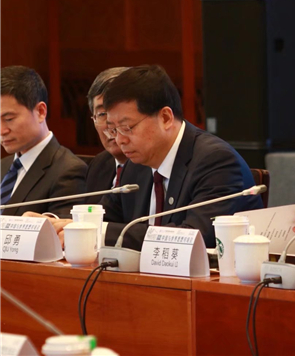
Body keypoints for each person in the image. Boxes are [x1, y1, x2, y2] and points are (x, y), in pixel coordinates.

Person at [54, 65, 263, 249]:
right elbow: (106, 217)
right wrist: (65, 226)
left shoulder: (216, 162)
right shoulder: (136, 165)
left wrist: (98, 232)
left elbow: (193, 237)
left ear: (165, 117)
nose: (119, 140)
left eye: (127, 127)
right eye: (114, 129)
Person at [1, 66, 87, 217]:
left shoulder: (69, 171)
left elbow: (61, 228)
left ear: (41, 112)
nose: (2, 130)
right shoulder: (3, 166)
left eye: (9, 119)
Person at [84, 67, 130, 201]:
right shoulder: (98, 165)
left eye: (118, 111)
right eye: (102, 114)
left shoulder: (152, 167)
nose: (111, 125)